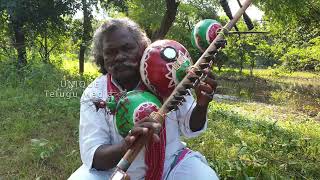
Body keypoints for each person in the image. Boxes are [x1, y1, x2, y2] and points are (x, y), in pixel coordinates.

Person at [69, 18, 219, 180]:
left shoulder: (168, 77)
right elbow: (94, 156)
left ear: (142, 48)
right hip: (115, 170)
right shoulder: (96, 93)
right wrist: (126, 145)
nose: (119, 57)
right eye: (110, 52)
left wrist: (202, 105)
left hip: (169, 165)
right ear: (102, 58)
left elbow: (192, 128)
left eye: (127, 48)